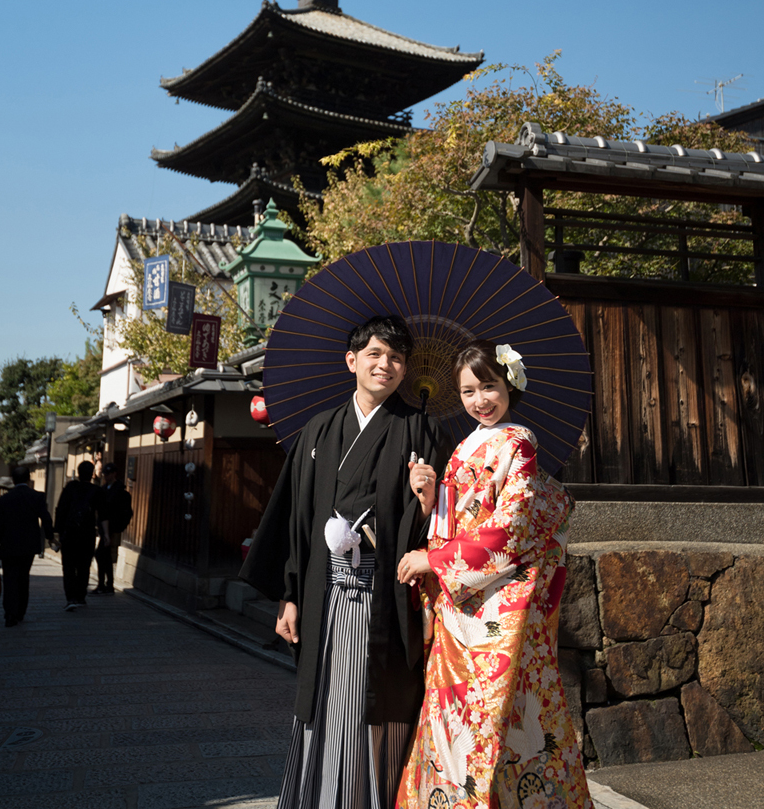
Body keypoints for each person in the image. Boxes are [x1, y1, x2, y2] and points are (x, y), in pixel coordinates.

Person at [241, 314, 449, 809]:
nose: (386, 365)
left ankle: (373, 798)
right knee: (327, 699)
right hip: (323, 588)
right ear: (352, 361)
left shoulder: (422, 429)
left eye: (396, 358)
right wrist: (290, 595)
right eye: (375, 354)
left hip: (385, 593)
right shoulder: (319, 431)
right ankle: (322, 797)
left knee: (378, 700)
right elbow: (298, 521)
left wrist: (425, 501)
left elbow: (438, 528)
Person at [395, 339, 593, 809]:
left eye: (489, 386)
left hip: (494, 603)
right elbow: (454, 520)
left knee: (492, 715)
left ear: (509, 385)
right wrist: (428, 500)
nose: (479, 400)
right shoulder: (467, 443)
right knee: (458, 714)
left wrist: (435, 561)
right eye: (467, 391)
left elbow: (512, 525)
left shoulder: (517, 442)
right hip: (460, 599)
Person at [0, 465, 55, 627]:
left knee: (10, 578)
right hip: (28, 545)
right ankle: (20, 611)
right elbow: (46, 519)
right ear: (29, 479)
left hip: (8, 544)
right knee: (23, 577)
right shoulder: (36, 497)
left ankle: (10, 613)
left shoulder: (4, 499)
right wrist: (50, 537)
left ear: (13, 480)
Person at [55, 460, 101, 610]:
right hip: (87, 533)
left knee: (68, 566)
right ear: (92, 474)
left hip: (69, 533)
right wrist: (104, 533)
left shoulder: (70, 487)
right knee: (84, 565)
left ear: (78, 473)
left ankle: (71, 598)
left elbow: (60, 509)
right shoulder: (96, 490)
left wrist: (58, 532)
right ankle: (81, 596)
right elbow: (102, 514)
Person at [92, 462, 133, 595]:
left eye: (108, 474)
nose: (106, 476)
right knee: (105, 556)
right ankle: (107, 585)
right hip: (104, 527)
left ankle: (104, 585)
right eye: (104, 474)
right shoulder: (104, 488)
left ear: (114, 474)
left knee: (101, 554)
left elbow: (124, 511)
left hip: (112, 526)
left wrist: (117, 526)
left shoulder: (119, 491)